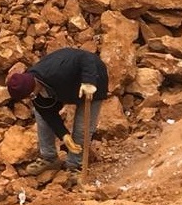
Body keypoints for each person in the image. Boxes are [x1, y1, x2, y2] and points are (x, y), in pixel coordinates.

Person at [6, 46, 109, 175]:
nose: (31, 98)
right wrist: (64, 135)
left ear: (35, 84)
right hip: (62, 89)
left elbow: (86, 57)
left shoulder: (56, 70)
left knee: (82, 128)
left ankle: (74, 165)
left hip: (93, 79)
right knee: (41, 115)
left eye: (31, 95)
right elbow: (48, 114)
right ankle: (49, 158)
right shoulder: (33, 90)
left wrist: (89, 81)